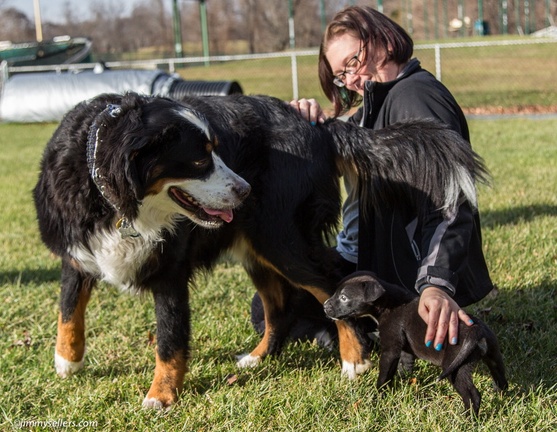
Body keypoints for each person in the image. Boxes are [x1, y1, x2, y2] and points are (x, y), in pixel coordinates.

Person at [252, 5, 494, 354]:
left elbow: (449, 204)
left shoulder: (415, 97)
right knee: (270, 302)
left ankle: (361, 333)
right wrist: (304, 124)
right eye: (341, 75)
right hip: (361, 258)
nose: (349, 79)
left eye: (352, 62)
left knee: (284, 305)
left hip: (397, 275)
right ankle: (345, 332)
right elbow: (332, 153)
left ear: (382, 39)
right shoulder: (372, 108)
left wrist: (435, 285)